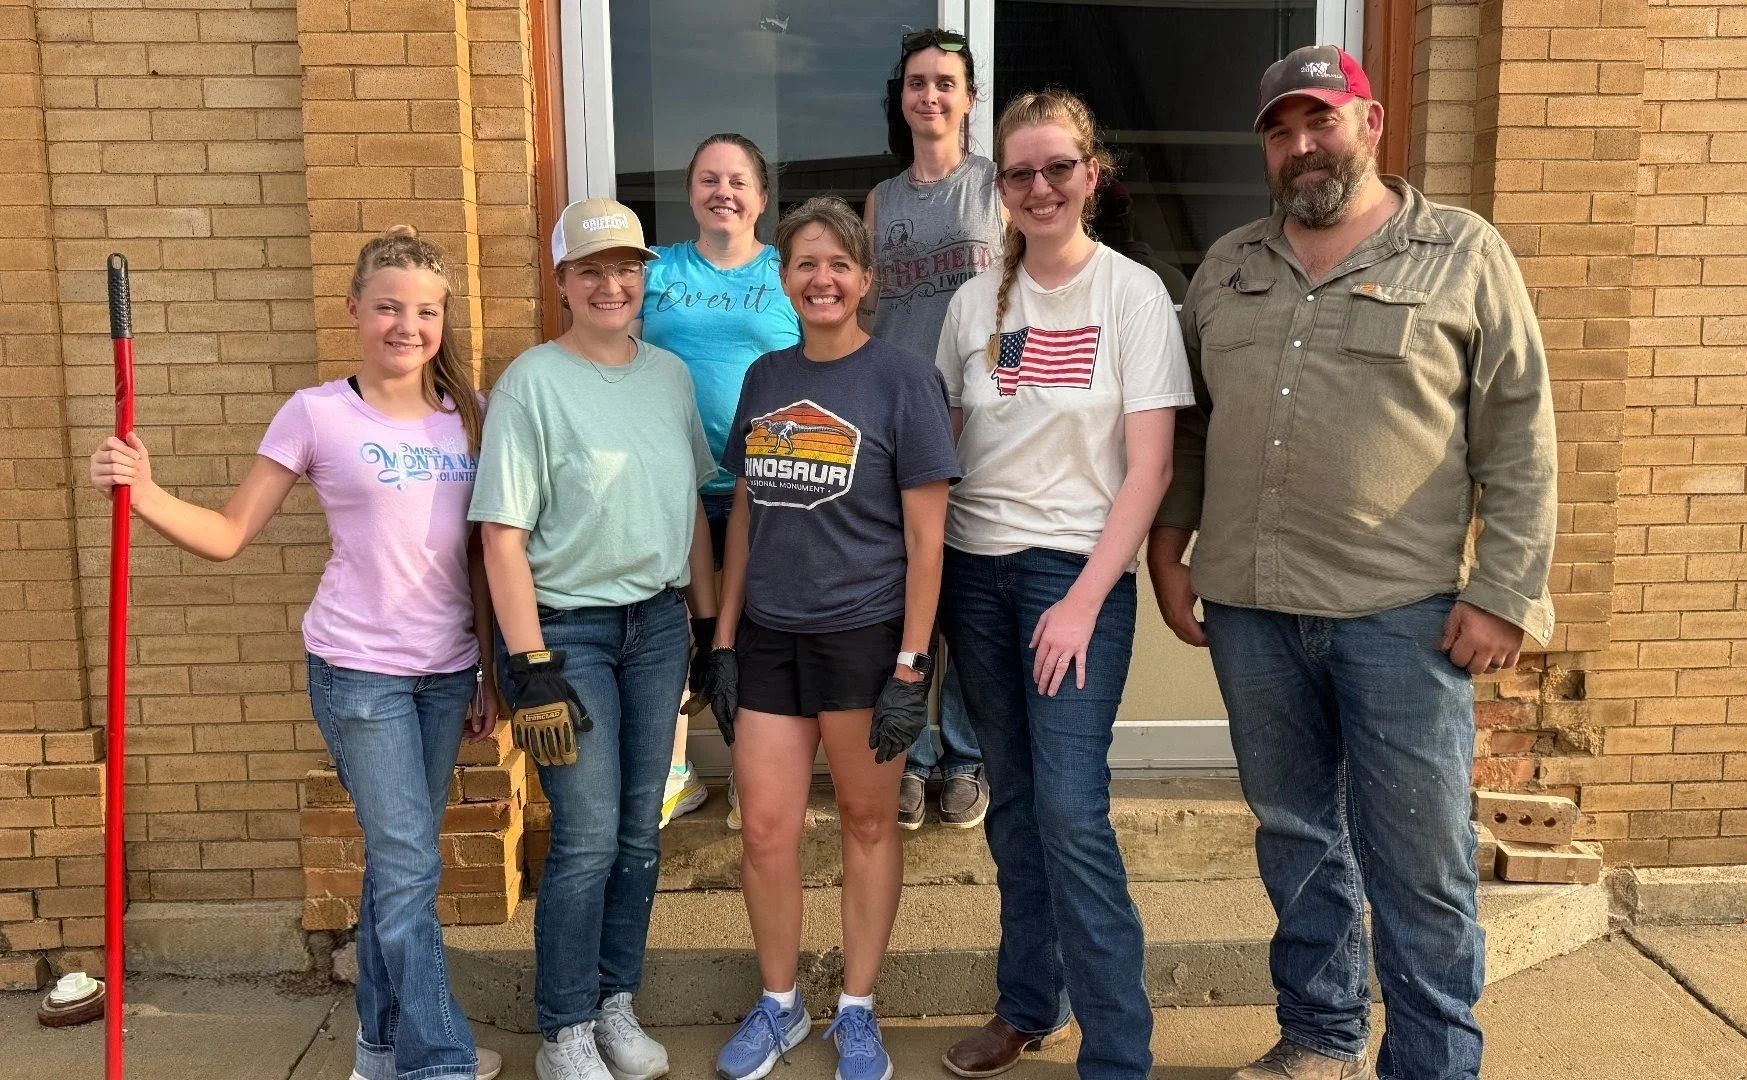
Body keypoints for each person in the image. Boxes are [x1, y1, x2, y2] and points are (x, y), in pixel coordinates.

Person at [1148, 46, 1556, 1080]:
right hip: (1251, 610)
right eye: (1279, 131)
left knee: (1419, 863)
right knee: (1295, 838)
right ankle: (1320, 1036)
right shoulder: (1230, 265)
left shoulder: (1461, 253)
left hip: (1401, 617)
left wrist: (1504, 593)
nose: (1299, 146)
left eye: (1319, 121)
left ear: (1369, 124)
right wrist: (1169, 546)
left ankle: (1429, 1063)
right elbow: (1190, 430)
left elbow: (1517, 432)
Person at [89, 227, 504, 1080]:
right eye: (388, 307)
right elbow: (230, 533)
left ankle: (378, 1049)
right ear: (354, 310)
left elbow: (481, 557)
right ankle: (440, 1060)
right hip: (358, 672)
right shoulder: (317, 413)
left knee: (400, 867)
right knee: (408, 864)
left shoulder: (471, 414)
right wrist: (146, 491)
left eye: (425, 311)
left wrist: (490, 671)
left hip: (446, 672)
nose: (406, 326)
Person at [934, 90, 1193, 1080]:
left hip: (1070, 577)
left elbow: (1152, 466)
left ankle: (1118, 1053)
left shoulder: (1131, 297)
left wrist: (1084, 597)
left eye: (1056, 168)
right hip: (975, 572)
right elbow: (945, 453)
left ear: (1093, 175)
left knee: (1072, 811)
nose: (1038, 188)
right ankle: (1025, 1004)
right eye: (1018, 173)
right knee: (1011, 804)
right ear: (999, 187)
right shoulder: (972, 303)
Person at [701, 196, 959, 1080]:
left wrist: (911, 665)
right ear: (783, 279)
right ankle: (778, 1007)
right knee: (766, 832)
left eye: (839, 265)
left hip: (864, 636)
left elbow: (929, 537)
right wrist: (724, 640)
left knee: (864, 820)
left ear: (865, 282)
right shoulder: (765, 378)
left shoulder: (902, 380)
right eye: (805, 264)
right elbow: (743, 511)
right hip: (769, 635)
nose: (822, 280)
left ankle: (855, 1008)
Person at [470, 198, 719, 1080]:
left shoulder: (668, 377)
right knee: (583, 836)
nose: (612, 285)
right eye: (591, 271)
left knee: (640, 833)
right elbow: (501, 532)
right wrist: (528, 662)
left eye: (627, 268)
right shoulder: (533, 381)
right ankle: (563, 1026)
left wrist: (708, 625)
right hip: (565, 632)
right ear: (563, 283)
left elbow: (689, 502)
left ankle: (616, 1001)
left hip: (655, 627)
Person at [636, 132, 801, 829]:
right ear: (690, 192)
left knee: (755, 630)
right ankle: (676, 773)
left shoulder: (786, 272)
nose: (722, 192)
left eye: (737, 181)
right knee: (671, 630)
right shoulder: (656, 269)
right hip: (669, 483)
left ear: (761, 197)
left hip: (763, 487)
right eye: (708, 179)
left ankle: (750, 773)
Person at [862, 26, 1002, 832]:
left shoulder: (996, 187)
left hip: (982, 420)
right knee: (912, 593)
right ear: (903, 98)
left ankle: (966, 755)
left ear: (967, 98)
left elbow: (1023, 288)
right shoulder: (882, 201)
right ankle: (910, 756)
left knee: (974, 601)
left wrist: (998, 378)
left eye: (945, 82)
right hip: (902, 422)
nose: (930, 96)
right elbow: (874, 311)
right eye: (917, 82)